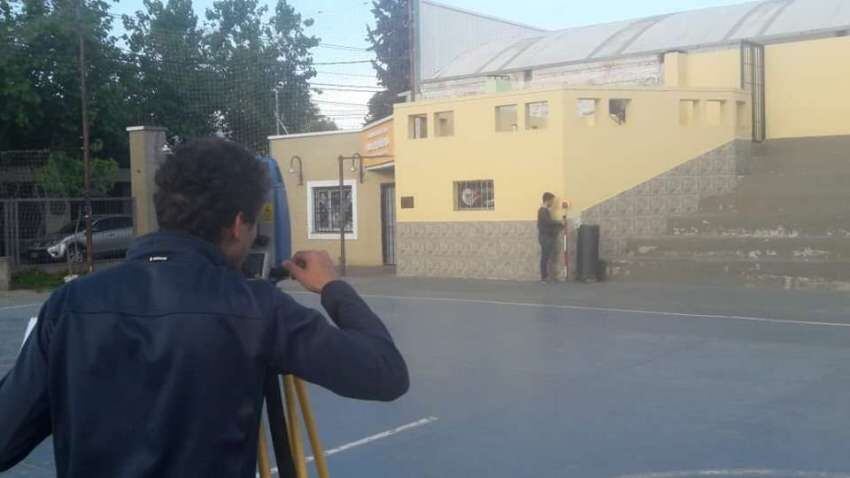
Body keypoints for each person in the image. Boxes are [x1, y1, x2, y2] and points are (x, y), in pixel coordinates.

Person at [0, 138, 409, 477]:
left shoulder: (69, 305)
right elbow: (384, 373)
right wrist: (332, 286)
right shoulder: (256, 308)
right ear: (237, 224)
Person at [537, 192, 564, 283]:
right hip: (545, 238)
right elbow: (548, 222)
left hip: (547, 237)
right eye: (552, 201)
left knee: (547, 257)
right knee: (545, 257)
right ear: (547, 200)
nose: (552, 203)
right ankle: (544, 277)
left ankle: (546, 276)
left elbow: (549, 224)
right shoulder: (542, 211)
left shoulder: (545, 211)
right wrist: (559, 223)